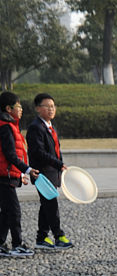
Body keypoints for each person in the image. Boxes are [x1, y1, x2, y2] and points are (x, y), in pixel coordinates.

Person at [26, 92, 72, 250]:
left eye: (53, 106)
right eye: (47, 106)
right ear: (38, 109)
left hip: (53, 173)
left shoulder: (51, 127)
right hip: (42, 174)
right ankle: (59, 236)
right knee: (51, 205)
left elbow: (56, 150)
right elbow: (38, 152)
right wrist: (58, 163)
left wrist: (60, 164)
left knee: (46, 205)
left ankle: (42, 237)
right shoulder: (35, 128)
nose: (51, 109)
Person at [0, 90, 38, 258]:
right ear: (8, 108)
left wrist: (19, 174)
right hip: (4, 177)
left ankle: (1, 243)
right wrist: (27, 170)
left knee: (7, 212)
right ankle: (17, 245)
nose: (21, 109)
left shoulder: (10, 125)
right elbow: (10, 154)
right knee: (14, 211)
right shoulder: (6, 127)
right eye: (18, 106)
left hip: (8, 175)